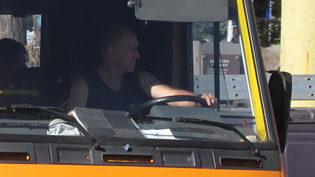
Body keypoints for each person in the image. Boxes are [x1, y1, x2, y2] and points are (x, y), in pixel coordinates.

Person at [68, 24, 217, 111]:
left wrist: (200, 99)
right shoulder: (84, 84)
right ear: (112, 53)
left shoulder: (140, 78)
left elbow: (172, 95)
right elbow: (72, 128)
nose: (138, 56)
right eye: (131, 49)